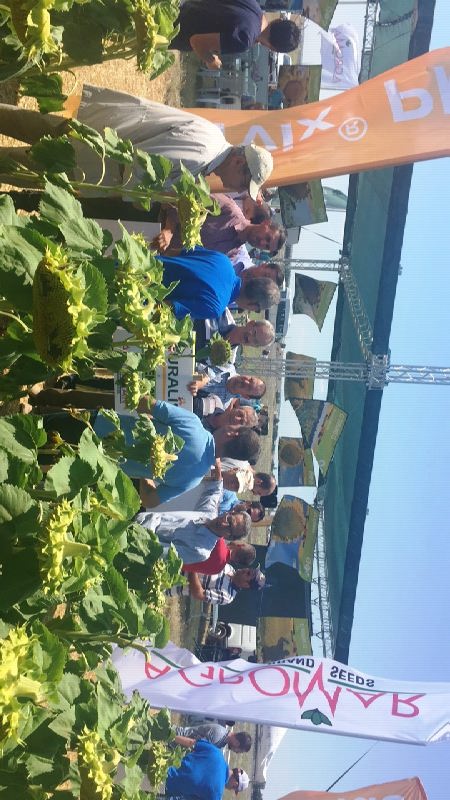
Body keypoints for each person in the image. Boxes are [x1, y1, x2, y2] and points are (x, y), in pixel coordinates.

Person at [0, 88, 273, 203]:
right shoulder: (200, 157)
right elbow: (142, 164)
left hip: (94, 134)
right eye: (243, 183)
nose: (237, 189)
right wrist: (153, 200)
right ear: (239, 162)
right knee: (13, 165)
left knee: (20, 122)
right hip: (87, 158)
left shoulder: (213, 140)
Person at [41, 397, 260, 507]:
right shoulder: (193, 479)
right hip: (95, 467)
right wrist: (146, 472)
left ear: (233, 433)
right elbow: (149, 501)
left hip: (95, 428)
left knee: (38, 429)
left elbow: (146, 403)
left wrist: (143, 418)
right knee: (38, 461)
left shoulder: (193, 425)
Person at [160, 247, 280, 321]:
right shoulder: (215, 307)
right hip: (149, 292)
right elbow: (165, 309)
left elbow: (175, 252)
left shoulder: (223, 260)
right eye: (257, 310)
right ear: (253, 305)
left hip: (150, 262)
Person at [170, 0, 300, 67]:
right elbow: (196, 42)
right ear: (273, 49)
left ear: (277, 20)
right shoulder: (244, 39)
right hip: (172, 31)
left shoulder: (252, 4)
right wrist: (211, 60)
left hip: (176, 8)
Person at [154, 193, 286, 257]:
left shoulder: (232, 252)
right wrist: (169, 230)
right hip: (154, 220)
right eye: (267, 238)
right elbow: (186, 197)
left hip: (155, 251)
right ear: (266, 223)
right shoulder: (229, 209)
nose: (262, 242)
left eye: (266, 246)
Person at [135, 500, 252, 567]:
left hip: (133, 538)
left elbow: (155, 551)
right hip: (135, 516)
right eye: (229, 518)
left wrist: (140, 530)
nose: (223, 522)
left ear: (229, 536)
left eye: (229, 526)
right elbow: (215, 487)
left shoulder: (200, 552)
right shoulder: (208, 513)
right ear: (230, 512)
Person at [165, 739, 249, 800]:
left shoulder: (216, 752)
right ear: (235, 784)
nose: (231, 789)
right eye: (234, 789)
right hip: (164, 786)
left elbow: (190, 743)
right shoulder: (216, 795)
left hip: (164, 762)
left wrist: (168, 735)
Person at [168, 564, 265, 606]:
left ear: (246, 585)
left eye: (248, 574)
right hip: (173, 563)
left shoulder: (228, 596)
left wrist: (192, 568)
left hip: (169, 584)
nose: (246, 570)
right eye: (249, 569)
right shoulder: (229, 568)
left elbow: (198, 594)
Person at [190, 371, 266, 404]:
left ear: (245, 396)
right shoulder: (225, 365)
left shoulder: (221, 404)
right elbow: (201, 366)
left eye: (249, 388)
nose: (246, 382)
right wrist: (200, 380)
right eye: (251, 379)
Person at [173, 724, 252, 753]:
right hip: (174, 738)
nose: (236, 752)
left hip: (176, 744)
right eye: (239, 751)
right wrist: (171, 737)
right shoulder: (218, 735)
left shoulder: (222, 742)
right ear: (237, 743)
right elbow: (193, 744)